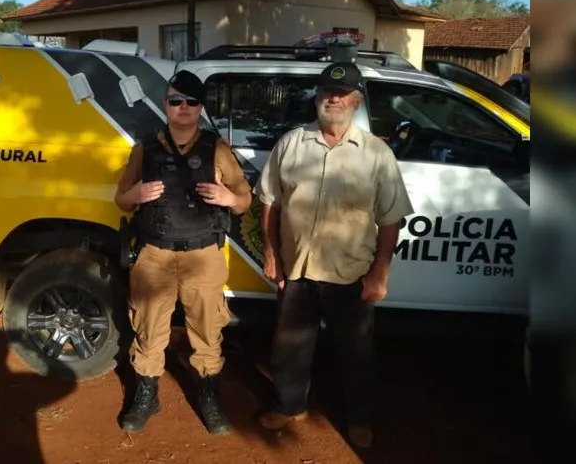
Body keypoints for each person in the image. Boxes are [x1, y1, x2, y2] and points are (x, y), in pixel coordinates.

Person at [253, 61, 414, 449]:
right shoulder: (291, 143)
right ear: (317, 97)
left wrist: (380, 274)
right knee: (289, 348)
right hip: (299, 269)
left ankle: (358, 418)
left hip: (351, 273)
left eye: (342, 94)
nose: (333, 99)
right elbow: (271, 203)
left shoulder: (376, 154)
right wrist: (272, 253)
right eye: (327, 92)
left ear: (356, 100)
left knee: (356, 354)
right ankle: (290, 406)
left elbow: (390, 220)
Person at [114, 70, 253, 435]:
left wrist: (229, 198)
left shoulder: (216, 149)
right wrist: (136, 196)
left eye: (191, 101)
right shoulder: (145, 148)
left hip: (203, 256)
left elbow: (244, 201)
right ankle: (147, 395)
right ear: (165, 105)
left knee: (208, 331)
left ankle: (208, 396)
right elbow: (121, 198)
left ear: (200, 107)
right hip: (154, 256)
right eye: (176, 100)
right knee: (147, 330)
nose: (183, 108)